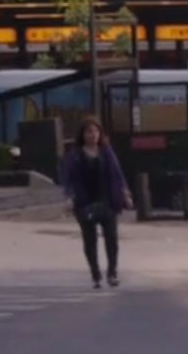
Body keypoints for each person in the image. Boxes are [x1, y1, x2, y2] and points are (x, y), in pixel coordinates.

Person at [57, 117, 133, 289]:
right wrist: (69, 198)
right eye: (89, 132)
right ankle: (95, 274)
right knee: (90, 240)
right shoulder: (75, 155)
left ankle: (112, 273)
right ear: (82, 134)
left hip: (107, 200)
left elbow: (117, 174)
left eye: (96, 131)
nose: (93, 135)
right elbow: (68, 179)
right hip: (84, 203)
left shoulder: (106, 152)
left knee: (112, 239)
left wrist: (125, 194)